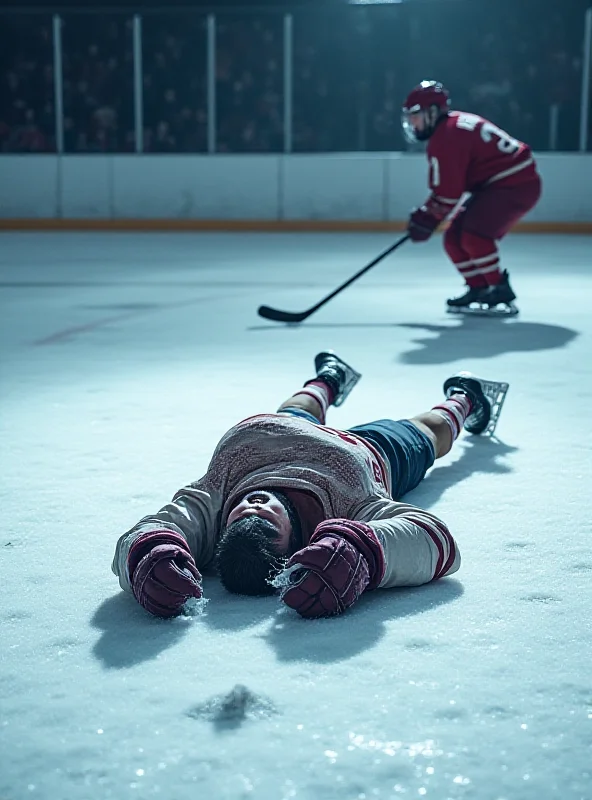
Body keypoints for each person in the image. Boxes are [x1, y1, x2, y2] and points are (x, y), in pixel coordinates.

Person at [112, 351, 509, 620]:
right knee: (426, 433)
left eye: (240, 521)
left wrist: (145, 555)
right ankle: (465, 399)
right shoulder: (349, 504)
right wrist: (366, 554)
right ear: (298, 544)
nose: (252, 507)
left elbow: (157, 526)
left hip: (281, 429)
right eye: (267, 525)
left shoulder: (214, 498)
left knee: (299, 409)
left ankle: (329, 378)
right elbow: (437, 542)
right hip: (370, 451)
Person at [402, 80, 542, 315]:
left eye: (416, 115)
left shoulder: (446, 137)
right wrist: (429, 214)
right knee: (453, 238)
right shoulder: (453, 125)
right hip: (504, 184)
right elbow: (450, 191)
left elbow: (448, 193)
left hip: (514, 185)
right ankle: (479, 287)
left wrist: (428, 216)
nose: (412, 122)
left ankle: (498, 288)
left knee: (474, 236)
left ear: (434, 111)